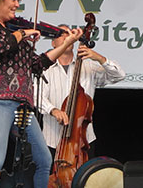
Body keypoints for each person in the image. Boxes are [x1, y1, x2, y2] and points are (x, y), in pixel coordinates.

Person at [0, 0, 83, 188]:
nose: (17, 5)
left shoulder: (15, 33)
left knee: (43, 160)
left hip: (21, 106)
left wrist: (66, 42)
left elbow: (37, 64)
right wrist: (22, 33)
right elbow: (1, 46)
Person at [34, 24, 125, 162]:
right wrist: (53, 110)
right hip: (52, 141)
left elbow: (119, 75)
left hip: (84, 141)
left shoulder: (88, 67)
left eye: (69, 33)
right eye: (61, 34)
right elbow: (36, 96)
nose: (66, 36)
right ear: (53, 43)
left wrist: (99, 58)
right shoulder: (45, 69)